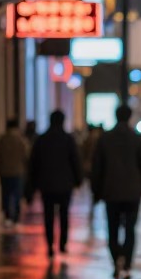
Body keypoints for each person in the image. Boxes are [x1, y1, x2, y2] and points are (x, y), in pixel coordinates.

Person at [91, 104, 141, 279]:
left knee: (112, 228)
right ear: (130, 117)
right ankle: (127, 263)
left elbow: (97, 167)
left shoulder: (105, 138)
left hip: (111, 191)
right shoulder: (138, 139)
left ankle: (116, 258)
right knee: (130, 229)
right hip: (133, 191)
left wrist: (96, 192)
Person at [27, 110, 82, 258]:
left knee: (48, 216)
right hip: (65, 185)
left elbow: (34, 164)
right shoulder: (68, 139)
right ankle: (62, 244)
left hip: (47, 185)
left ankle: (50, 245)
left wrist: (32, 185)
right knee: (64, 215)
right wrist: (78, 181)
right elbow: (75, 161)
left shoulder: (42, 139)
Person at [0, 117, 29, 226]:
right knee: (17, 195)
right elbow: (26, 155)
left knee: (6, 194)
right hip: (18, 172)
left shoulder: (2, 140)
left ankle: (8, 216)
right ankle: (16, 218)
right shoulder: (21, 140)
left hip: (4, 172)